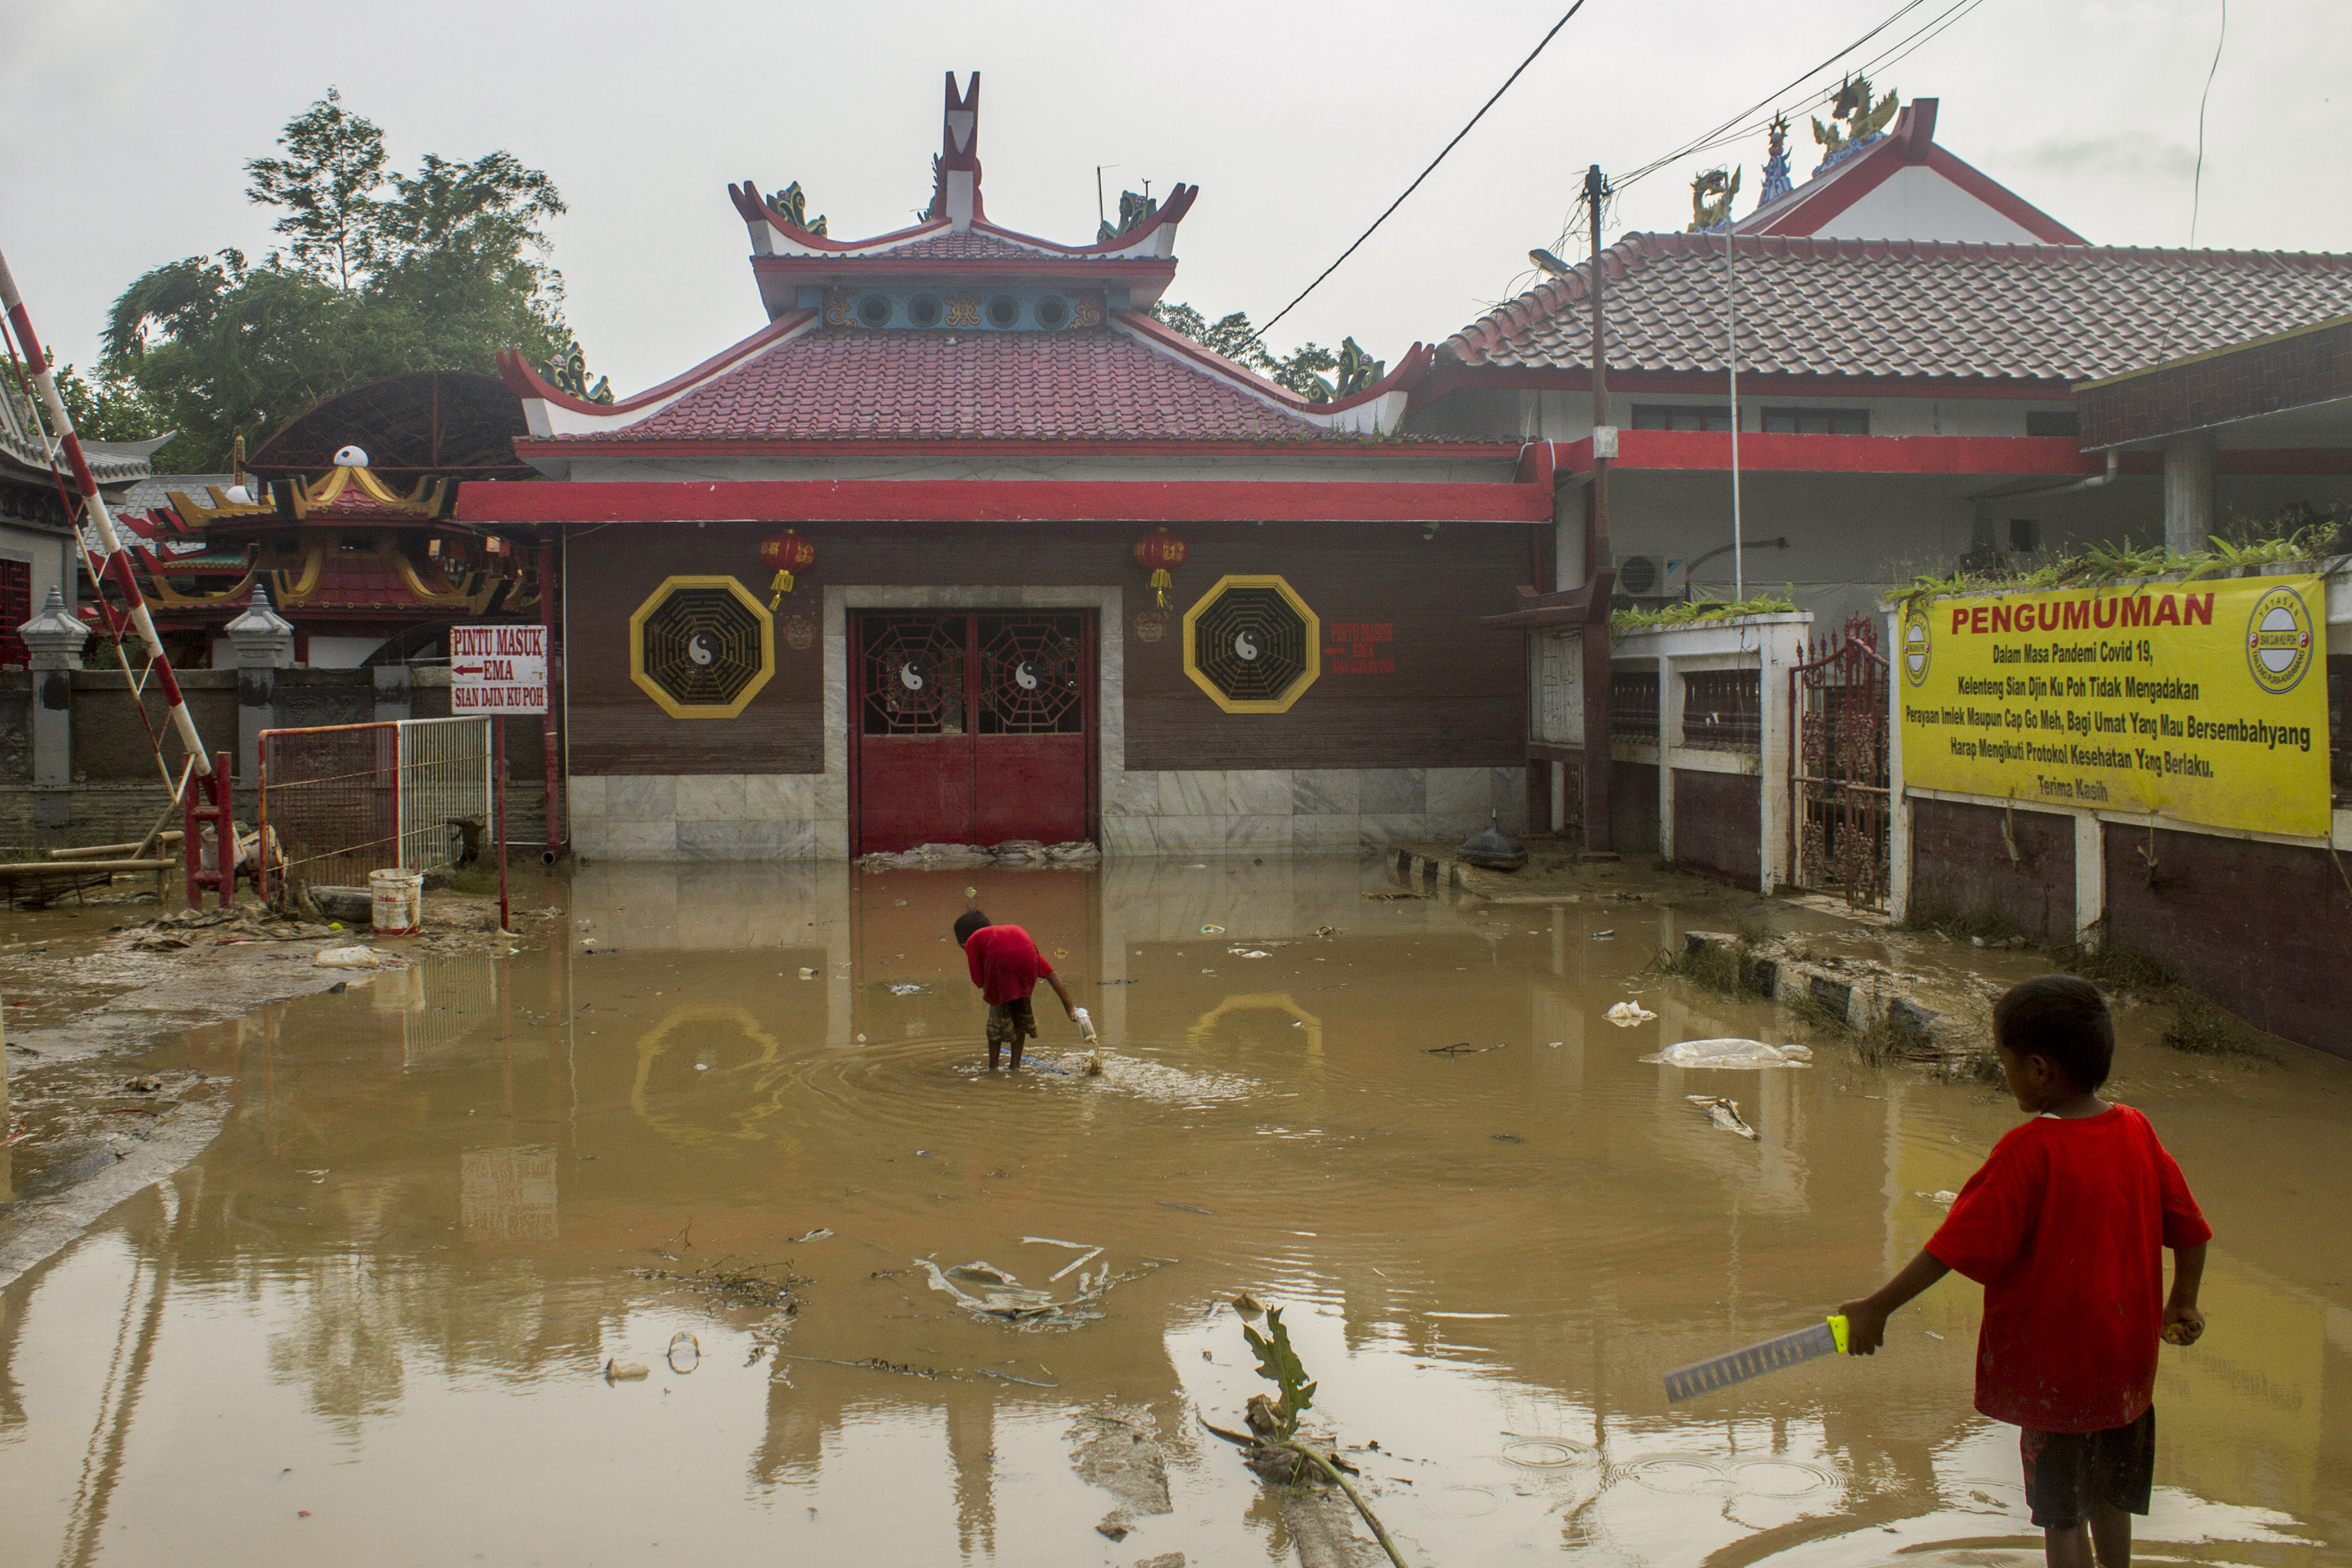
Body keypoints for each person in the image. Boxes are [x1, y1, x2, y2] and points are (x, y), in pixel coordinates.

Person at [1838, 974, 2210, 1568]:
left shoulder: (2029, 1151)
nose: (2004, 1074)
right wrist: (2183, 1302)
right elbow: (2190, 1229)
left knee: (2062, 1518)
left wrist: (1877, 1307)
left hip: (2059, 1375)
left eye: (2005, 1062)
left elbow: (1952, 1247)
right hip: (2127, 1373)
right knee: (2113, 1500)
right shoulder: (2136, 1130)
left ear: (2039, 1070)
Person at [954, 909, 1075, 1071]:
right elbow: (1051, 974)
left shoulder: (972, 942)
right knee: (1021, 1012)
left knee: (996, 1019)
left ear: (963, 943)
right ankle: (1015, 1066)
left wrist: (997, 996)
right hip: (1025, 946)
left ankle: (993, 1067)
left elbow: (978, 980)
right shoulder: (1010, 935)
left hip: (999, 962)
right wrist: (1070, 1008)